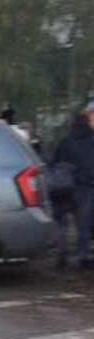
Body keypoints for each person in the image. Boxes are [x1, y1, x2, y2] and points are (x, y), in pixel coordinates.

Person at [54, 110, 94, 268]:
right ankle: (83, 256)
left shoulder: (65, 140)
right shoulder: (92, 140)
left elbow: (55, 160)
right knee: (83, 223)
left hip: (65, 186)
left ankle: (62, 255)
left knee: (63, 222)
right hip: (86, 186)